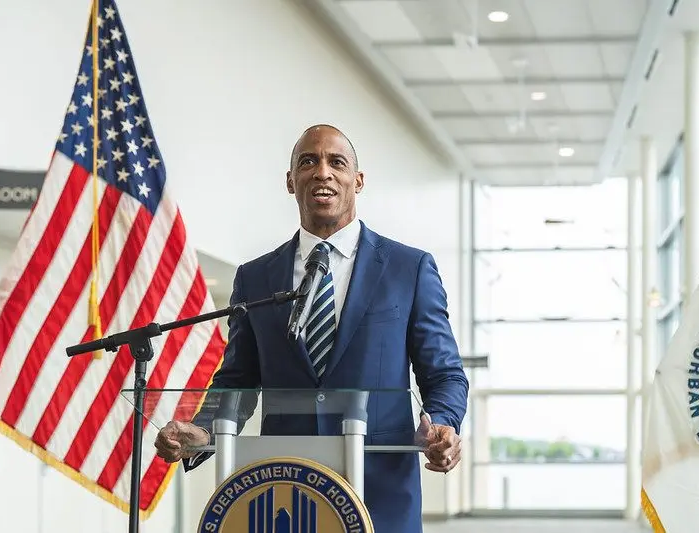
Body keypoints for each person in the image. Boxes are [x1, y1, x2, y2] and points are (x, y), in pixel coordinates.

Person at [154, 124, 469, 532]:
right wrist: (203, 431)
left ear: (358, 181)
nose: (323, 172)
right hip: (285, 490)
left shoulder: (409, 269)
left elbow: (443, 372)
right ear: (291, 181)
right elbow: (239, 379)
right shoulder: (256, 278)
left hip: (380, 495)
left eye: (337, 162)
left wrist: (441, 422)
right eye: (308, 162)